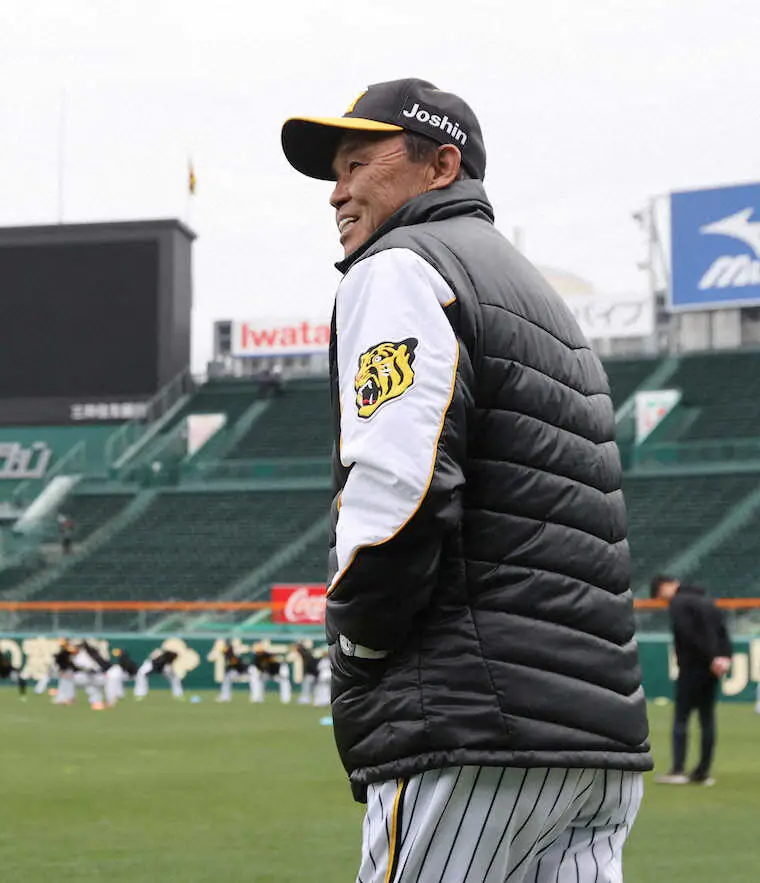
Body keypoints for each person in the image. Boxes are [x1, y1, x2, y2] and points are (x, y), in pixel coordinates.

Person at [282, 77, 651, 882]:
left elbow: (397, 493)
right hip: (598, 745)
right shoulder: (548, 304)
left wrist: (360, 638)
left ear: (440, 165)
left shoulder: (403, 266)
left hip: (469, 724)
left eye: (357, 163)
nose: (337, 192)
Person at [651, 576, 732, 785]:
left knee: (681, 718)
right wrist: (723, 658)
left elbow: (690, 635)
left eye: (661, 595)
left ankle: (678, 769)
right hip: (713, 669)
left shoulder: (679, 603)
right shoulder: (706, 599)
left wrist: (710, 657)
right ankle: (703, 771)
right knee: (707, 719)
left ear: (666, 586)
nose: (664, 600)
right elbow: (722, 632)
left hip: (693, 667)